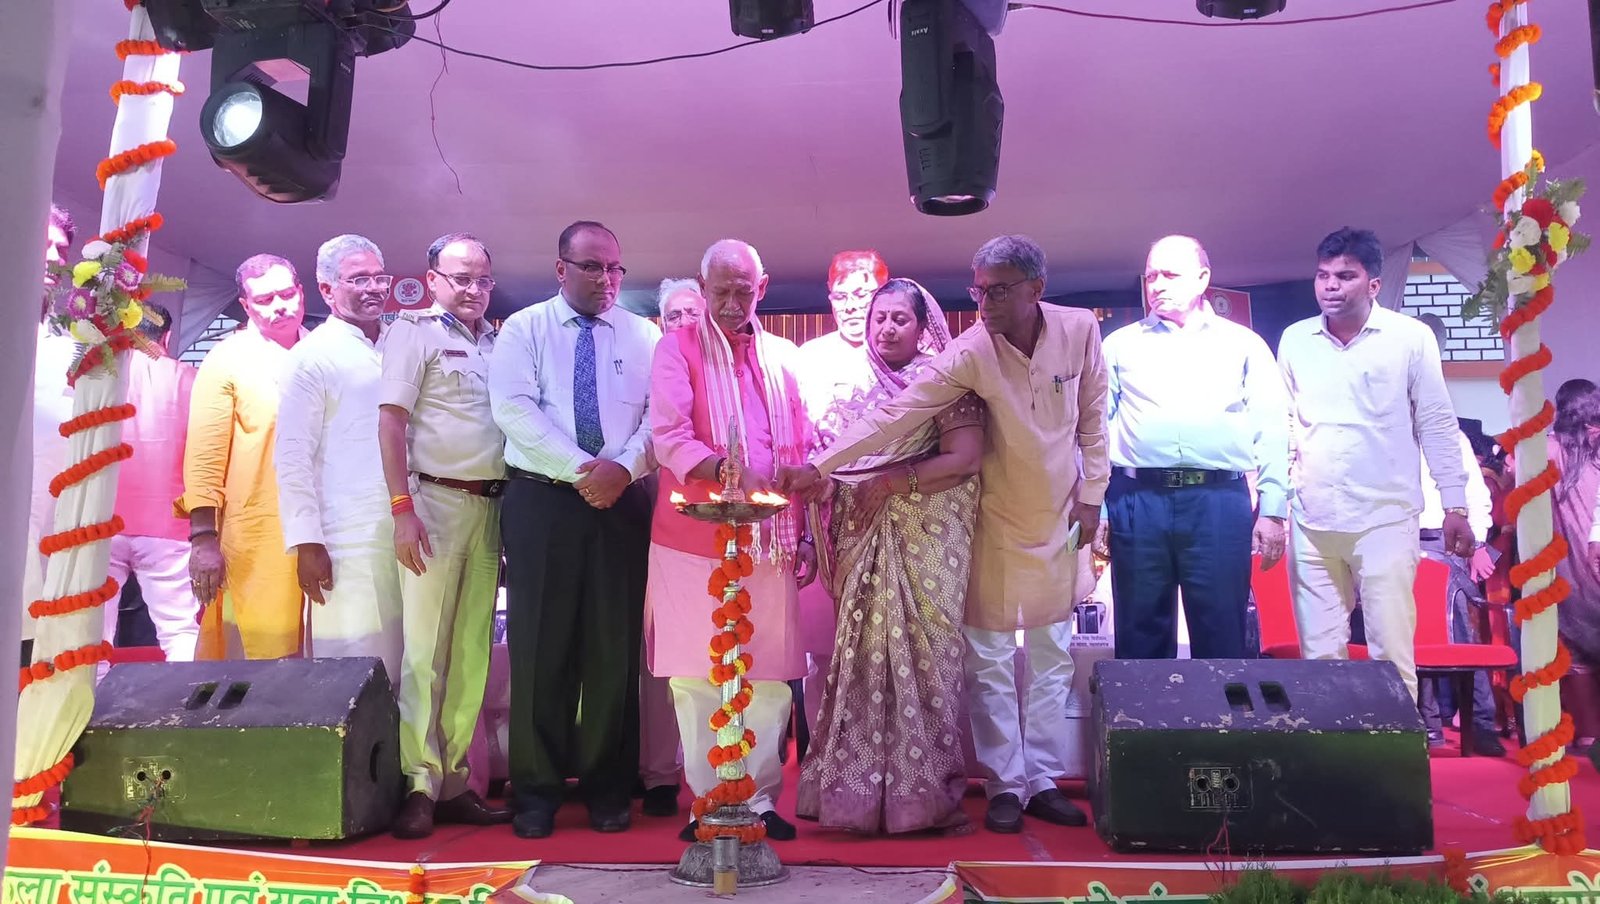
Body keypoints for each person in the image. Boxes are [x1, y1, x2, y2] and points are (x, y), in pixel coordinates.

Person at [782, 234, 1108, 834]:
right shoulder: (969, 351)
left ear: (1036, 288)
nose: (985, 303)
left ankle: (1042, 779)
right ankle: (1005, 783)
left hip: (1061, 517)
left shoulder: (1079, 330)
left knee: (1052, 654)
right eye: (978, 291)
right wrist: (820, 466)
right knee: (989, 659)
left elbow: (1094, 418)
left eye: (999, 291)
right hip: (993, 520)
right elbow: (897, 414)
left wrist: (1092, 497)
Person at [488, 221, 658, 839]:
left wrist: (623, 470)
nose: (606, 279)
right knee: (541, 646)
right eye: (591, 267)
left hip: (623, 499)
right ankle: (536, 791)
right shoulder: (524, 329)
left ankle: (608, 786)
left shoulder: (644, 334)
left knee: (613, 648)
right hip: (543, 499)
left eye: (614, 268)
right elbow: (513, 409)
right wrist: (585, 471)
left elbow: (660, 416)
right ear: (561, 268)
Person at [794, 278, 982, 835]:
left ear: (923, 328)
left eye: (900, 318)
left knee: (926, 661)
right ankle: (855, 793)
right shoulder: (860, 392)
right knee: (860, 661)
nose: (887, 328)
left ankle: (922, 795)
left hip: (926, 543)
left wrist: (896, 482)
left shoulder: (945, 383)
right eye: (879, 318)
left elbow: (966, 458)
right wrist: (827, 487)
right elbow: (843, 468)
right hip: (864, 537)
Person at [648, 239, 814, 843]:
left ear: (761, 289)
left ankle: (760, 800)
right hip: (690, 535)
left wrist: (804, 530)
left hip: (771, 536)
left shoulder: (783, 357)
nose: (731, 303)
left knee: (768, 673)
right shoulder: (677, 347)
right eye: (720, 291)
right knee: (696, 675)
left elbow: (802, 445)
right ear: (702, 287)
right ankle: (707, 802)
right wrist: (724, 469)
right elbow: (668, 435)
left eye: (743, 291)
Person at [1278, 227, 1472, 703]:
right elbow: (1283, 427)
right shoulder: (1295, 339)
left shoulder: (1410, 338)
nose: (1330, 285)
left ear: (1374, 285)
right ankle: (1331, 747)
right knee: (1319, 656)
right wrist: (1274, 505)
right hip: (1312, 518)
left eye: (1345, 276)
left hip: (1385, 517)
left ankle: (1398, 748)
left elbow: (1436, 421)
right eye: (1323, 275)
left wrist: (1455, 504)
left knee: (1390, 653)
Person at [377, 233, 512, 838]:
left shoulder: (499, 342)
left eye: (483, 279)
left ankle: (456, 781)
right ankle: (418, 782)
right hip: (433, 503)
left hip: (492, 508)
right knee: (424, 654)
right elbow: (391, 423)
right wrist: (401, 509)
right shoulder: (414, 333)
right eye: (461, 278)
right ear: (432, 279)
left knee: (472, 652)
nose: (473, 290)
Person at [1100, 236, 1288, 660]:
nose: (1157, 284)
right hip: (1137, 498)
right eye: (1150, 276)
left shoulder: (1243, 344)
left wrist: (1274, 509)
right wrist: (1100, 507)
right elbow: (1096, 431)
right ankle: (1144, 708)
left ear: (1203, 278)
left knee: (1222, 635)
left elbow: (1272, 428)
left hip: (1218, 500)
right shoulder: (1119, 345)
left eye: (1169, 274)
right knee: (1138, 636)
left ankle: (1220, 709)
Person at [275, 235, 403, 680]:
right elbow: (292, 455)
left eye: (379, 278)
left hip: (407, 525)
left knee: (411, 663)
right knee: (355, 670)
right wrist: (308, 542)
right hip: (346, 538)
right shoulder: (312, 356)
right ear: (327, 289)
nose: (373, 288)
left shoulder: (401, 344)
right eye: (358, 279)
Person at [179, 254, 308, 659]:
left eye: (286, 294)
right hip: (258, 530)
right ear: (246, 305)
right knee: (260, 654)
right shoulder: (228, 358)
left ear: (302, 292)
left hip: (327, 526)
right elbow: (205, 455)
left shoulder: (321, 351)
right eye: (265, 300)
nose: (279, 306)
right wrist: (203, 538)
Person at [1412, 314, 1502, 755]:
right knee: (1409, 638)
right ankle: (1425, 725)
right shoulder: (1385, 435)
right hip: (1399, 542)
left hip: (1444, 545)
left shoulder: (1452, 435)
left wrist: (1478, 544)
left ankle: (1481, 726)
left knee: (1461, 636)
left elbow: (1477, 496)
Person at [635, 277, 702, 818]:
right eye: (673, 315)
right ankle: (659, 772)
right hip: (654, 520)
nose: (683, 322)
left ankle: (717, 777)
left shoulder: (728, 369)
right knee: (659, 654)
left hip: (716, 527)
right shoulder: (653, 365)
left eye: (692, 313)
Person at [104, 302, 199, 659]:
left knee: (92, 635)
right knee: (180, 631)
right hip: (169, 523)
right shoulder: (190, 378)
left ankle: (87, 697)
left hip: (101, 522)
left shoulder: (97, 378)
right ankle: (190, 697)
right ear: (167, 336)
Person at [25, 203, 79, 661]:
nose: (53, 258)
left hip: (51, 521)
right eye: (43, 244)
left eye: (60, 249)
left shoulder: (69, 346)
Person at [797, 250, 888, 420]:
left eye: (860, 295)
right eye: (840, 297)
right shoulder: (809, 356)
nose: (850, 306)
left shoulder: (907, 353)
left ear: (883, 296)